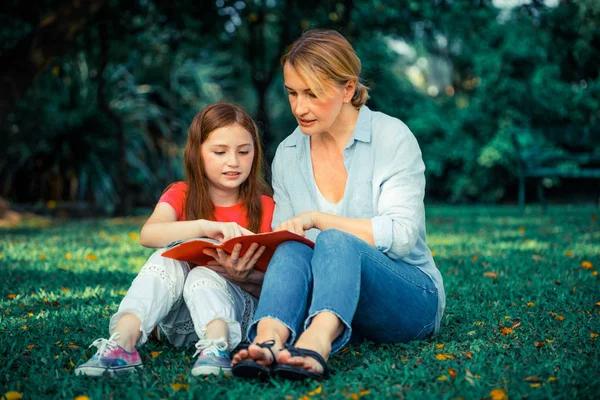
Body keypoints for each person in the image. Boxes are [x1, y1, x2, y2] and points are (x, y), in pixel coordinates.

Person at [231, 29, 446, 380]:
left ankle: (316, 343)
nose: (299, 107)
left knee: (334, 237)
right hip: (333, 296)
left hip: (410, 298)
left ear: (348, 89)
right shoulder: (288, 153)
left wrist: (319, 218)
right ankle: (268, 339)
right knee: (289, 244)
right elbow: (293, 253)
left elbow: (403, 235)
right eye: (292, 93)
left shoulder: (392, 137)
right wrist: (247, 273)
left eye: (312, 94)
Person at [75, 102, 274, 377]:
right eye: (220, 152)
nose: (234, 162)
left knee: (203, 275)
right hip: (181, 320)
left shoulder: (265, 206)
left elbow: (280, 284)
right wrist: (204, 226)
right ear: (197, 154)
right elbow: (149, 234)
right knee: (165, 257)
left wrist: (242, 276)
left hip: (235, 317)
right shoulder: (181, 194)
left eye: (244, 151)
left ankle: (215, 350)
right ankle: (123, 343)